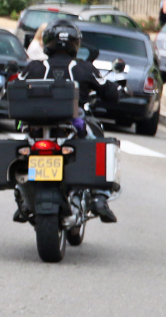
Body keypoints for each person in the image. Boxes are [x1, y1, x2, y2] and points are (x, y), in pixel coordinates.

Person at [18, 20, 120, 222]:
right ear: (76, 44)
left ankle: (21, 197)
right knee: (98, 146)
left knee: (21, 149)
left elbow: (14, 87)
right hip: (72, 127)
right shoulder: (84, 68)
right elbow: (109, 92)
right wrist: (118, 90)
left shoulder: (35, 68)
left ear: (47, 42)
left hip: (37, 128)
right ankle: (100, 197)